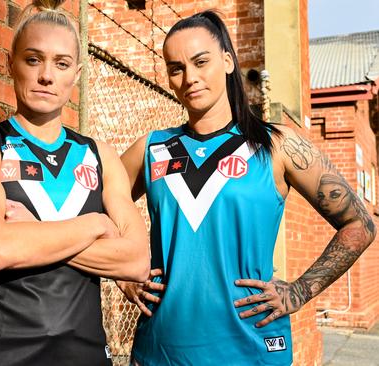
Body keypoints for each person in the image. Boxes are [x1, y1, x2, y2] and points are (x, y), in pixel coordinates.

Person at [119, 10, 376, 366]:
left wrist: (300, 290)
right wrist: (121, 272)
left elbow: (360, 225)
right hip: (161, 350)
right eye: (176, 68)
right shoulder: (152, 148)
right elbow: (92, 206)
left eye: (201, 61)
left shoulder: (278, 145)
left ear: (227, 61)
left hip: (250, 350)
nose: (189, 77)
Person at [0, 0, 150, 365]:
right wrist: (97, 224)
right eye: (33, 59)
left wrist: (35, 233)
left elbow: (136, 261)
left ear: (75, 74)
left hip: (84, 353)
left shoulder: (100, 155)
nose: (46, 75)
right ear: (10, 64)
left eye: (60, 64)